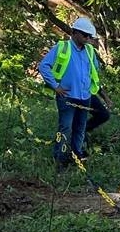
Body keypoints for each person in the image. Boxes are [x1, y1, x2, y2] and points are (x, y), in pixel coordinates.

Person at [38, 17, 100, 168]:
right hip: (67, 97)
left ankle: (76, 157)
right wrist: (55, 86)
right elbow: (44, 66)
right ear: (75, 33)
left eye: (89, 36)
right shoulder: (62, 47)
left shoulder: (90, 51)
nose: (87, 39)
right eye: (85, 35)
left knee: (80, 128)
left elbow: (95, 69)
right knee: (65, 127)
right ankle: (59, 158)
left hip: (84, 96)